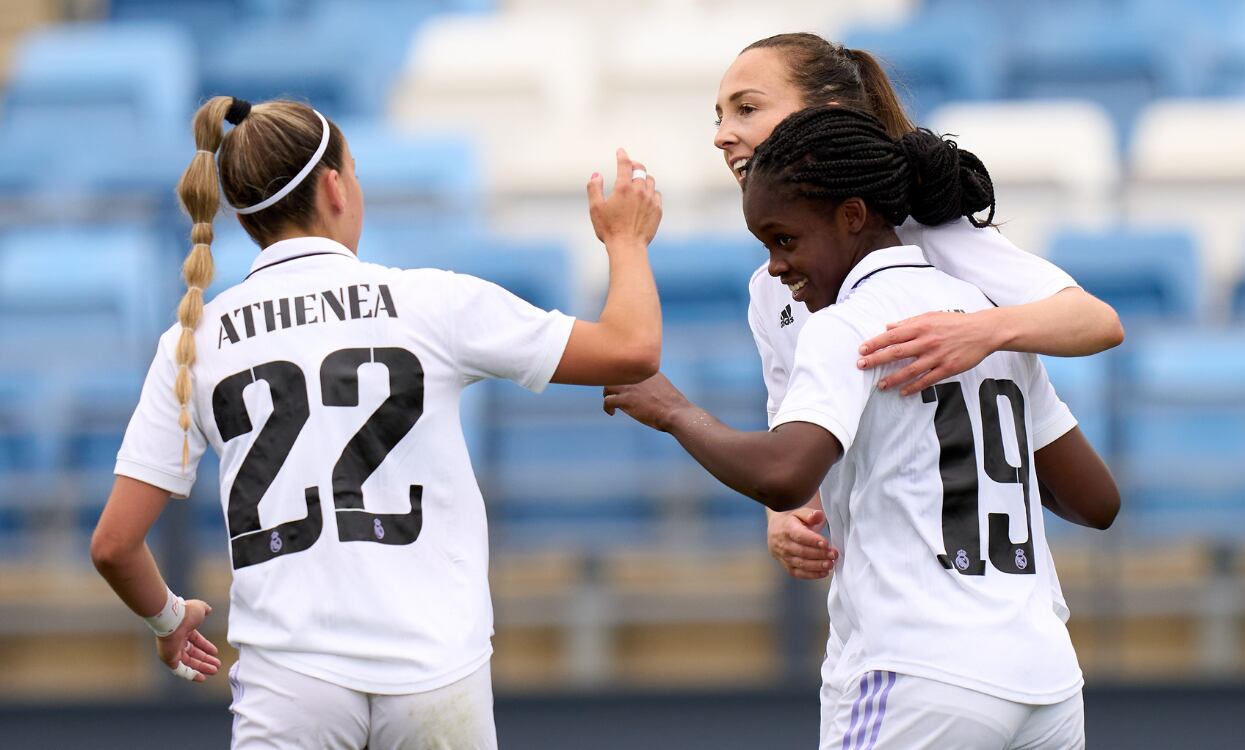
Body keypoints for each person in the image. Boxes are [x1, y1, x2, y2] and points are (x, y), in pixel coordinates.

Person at [89, 95, 663, 749]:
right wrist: (626, 240)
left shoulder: (194, 339)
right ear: (334, 185)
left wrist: (168, 620)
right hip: (436, 670)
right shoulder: (432, 300)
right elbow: (632, 348)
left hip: (289, 684)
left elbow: (113, 546)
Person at [605, 105, 1120, 749]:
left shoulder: (846, 323)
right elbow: (1095, 500)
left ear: (852, 216)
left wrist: (677, 412)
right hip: (1045, 683)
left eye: (784, 241)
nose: (774, 267)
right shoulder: (986, 319)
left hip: (919, 674)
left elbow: (784, 473)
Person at [713, 33, 1124, 580]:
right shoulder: (770, 290)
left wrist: (981, 332)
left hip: (935, 615)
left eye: (747, 108)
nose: (723, 135)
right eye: (717, 117)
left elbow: (1096, 321)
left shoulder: (933, 238)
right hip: (897, 608)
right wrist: (783, 515)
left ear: (828, 113)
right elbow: (792, 438)